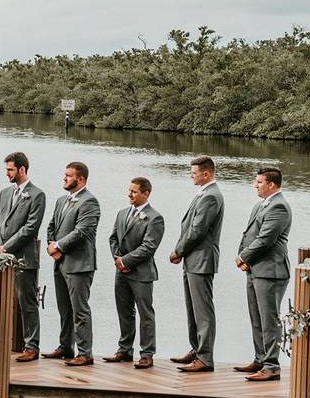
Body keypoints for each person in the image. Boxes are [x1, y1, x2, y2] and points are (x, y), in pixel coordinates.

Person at [235, 166, 291, 381]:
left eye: (259, 182)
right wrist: (244, 258)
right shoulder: (261, 204)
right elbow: (249, 234)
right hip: (255, 269)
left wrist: (243, 258)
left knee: (269, 320)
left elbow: (266, 239)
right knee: (256, 318)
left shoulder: (279, 207)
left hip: (271, 271)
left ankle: (271, 366)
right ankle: (260, 359)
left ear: (272, 185)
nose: (254, 185)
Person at [0, 152, 46, 362]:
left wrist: (6, 247)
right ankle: (2, 343)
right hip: (1, 257)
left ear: (22, 170)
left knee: (27, 302)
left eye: (10, 170)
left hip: (24, 258)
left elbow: (31, 229)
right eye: (6, 170)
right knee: (2, 301)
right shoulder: (4, 193)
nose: (7, 174)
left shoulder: (37, 195)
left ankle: (32, 346)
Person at [169, 155, 224, 373]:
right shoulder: (204, 193)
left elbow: (197, 230)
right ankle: (196, 349)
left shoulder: (211, 196)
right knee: (192, 307)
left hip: (201, 259)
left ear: (206, 173)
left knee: (203, 310)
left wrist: (178, 250)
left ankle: (205, 358)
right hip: (193, 259)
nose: (191, 176)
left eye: (194, 173)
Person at [43, 162, 100, 366]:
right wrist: (52, 246)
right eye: (64, 175)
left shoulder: (89, 202)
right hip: (60, 262)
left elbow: (82, 231)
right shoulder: (61, 200)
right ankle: (66, 346)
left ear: (81, 179)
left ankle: (85, 353)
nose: (64, 178)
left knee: (80, 310)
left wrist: (58, 246)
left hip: (79, 265)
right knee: (64, 308)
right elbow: (51, 225)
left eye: (68, 176)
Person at [105, 177, 165, 368]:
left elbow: (149, 247)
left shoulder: (155, 218)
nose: (129, 194)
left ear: (145, 193)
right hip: (121, 271)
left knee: (145, 313)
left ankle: (147, 354)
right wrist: (118, 259)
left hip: (142, 273)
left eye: (134, 191)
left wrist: (126, 260)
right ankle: (124, 350)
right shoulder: (122, 213)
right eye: (129, 190)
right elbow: (113, 238)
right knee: (124, 311)